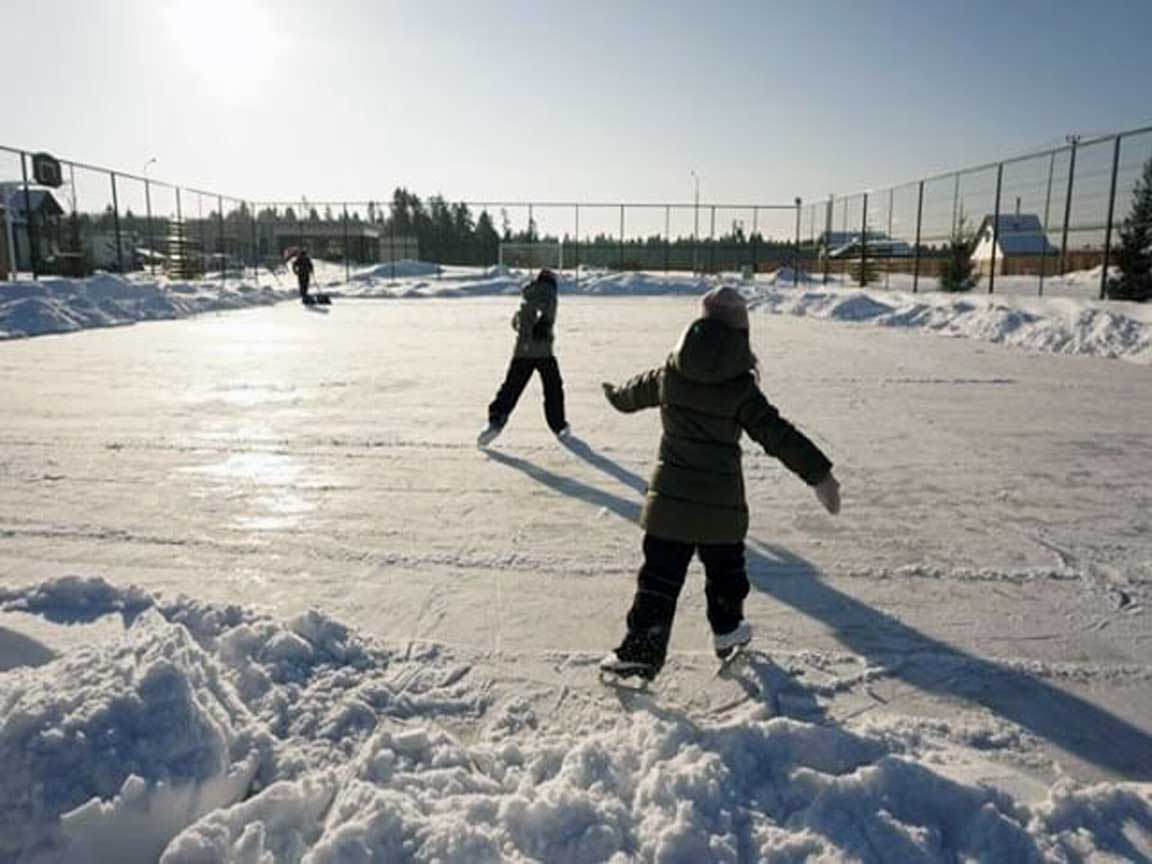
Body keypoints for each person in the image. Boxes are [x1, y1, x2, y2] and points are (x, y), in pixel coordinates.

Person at [598, 286, 840, 681]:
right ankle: (728, 631)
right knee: (726, 575)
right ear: (740, 332)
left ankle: (642, 649)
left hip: (670, 504)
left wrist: (615, 395)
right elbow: (777, 433)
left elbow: (634, 392)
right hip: (721, 509)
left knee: (658, 581)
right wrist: (820, 475)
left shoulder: (670, 373)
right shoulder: (741, 387)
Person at [478, 268, 570, 445]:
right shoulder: (550, 296)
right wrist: (542, 322)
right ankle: (559, 426)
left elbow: (517, 321)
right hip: (544, 353)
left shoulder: (527, 296)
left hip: (522, 352)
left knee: (511, 388)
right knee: (553, 389)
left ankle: (495, 422)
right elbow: (546, 311)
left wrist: (525, 325)